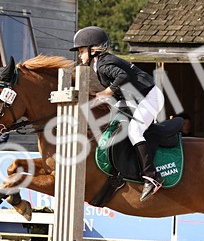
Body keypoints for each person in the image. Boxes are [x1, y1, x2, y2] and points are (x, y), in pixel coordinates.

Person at [70, 26, 164, 201]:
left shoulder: (104, 64)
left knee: (134, 131)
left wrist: (107, 92)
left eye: (82, 51)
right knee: (113, 126)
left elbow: (123, 77)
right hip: (133, 98)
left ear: (93, 49)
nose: (80, 55)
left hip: (149, 98)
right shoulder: (100, 63)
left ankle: (152, 177)